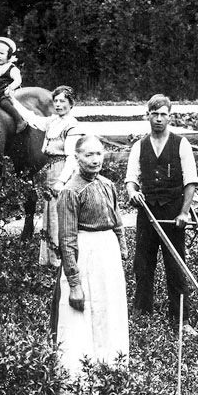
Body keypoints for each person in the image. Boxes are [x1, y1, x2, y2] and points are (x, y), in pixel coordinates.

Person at [55, 134, 129, 376]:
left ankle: (111, 366)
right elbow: (66, 240)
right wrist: (74, 283)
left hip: (108, 256)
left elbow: (117, 220)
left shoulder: (107, 184)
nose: (95, 159)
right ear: (77, 158)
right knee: (85, 311)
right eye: (89, 154)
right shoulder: (70, 191)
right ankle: (80, 375)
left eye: (99, 153)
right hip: (85, 255)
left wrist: (121, 246)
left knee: (109, 308)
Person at [125, 94, 198, 321]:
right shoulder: (140, 145)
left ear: (170, 117)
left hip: (172, 213)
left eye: (163, 115)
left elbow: (191, 181)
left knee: (175, 265)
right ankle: (141, 314)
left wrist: (184, 212)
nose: (158, 119)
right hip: (147, 212)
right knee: (143, 264)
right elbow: (131, 178)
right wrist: (132, 192)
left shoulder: (181, 144)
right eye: (154, 114)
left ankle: (180, 318)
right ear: (147, 116)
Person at [8, 85, 82, 267]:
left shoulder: (72, 125)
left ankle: (63, 259)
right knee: (51, 212)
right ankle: (51, 258)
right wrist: (13, 101)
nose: (58, 105)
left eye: (62, 101)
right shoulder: (53, 121)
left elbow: (72, 158)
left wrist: (61, 181)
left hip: (62, 170)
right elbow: (32, 118)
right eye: (55, 101)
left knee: (62, 213)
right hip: (50, 170)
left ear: (71, 104)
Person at [0, 36, 26, 134]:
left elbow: (18, 80)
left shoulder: (11, 68)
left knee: (5, 103)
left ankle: (20, 121)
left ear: (9, 55)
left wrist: (10, 87)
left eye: (2, 53)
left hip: (5, 93)